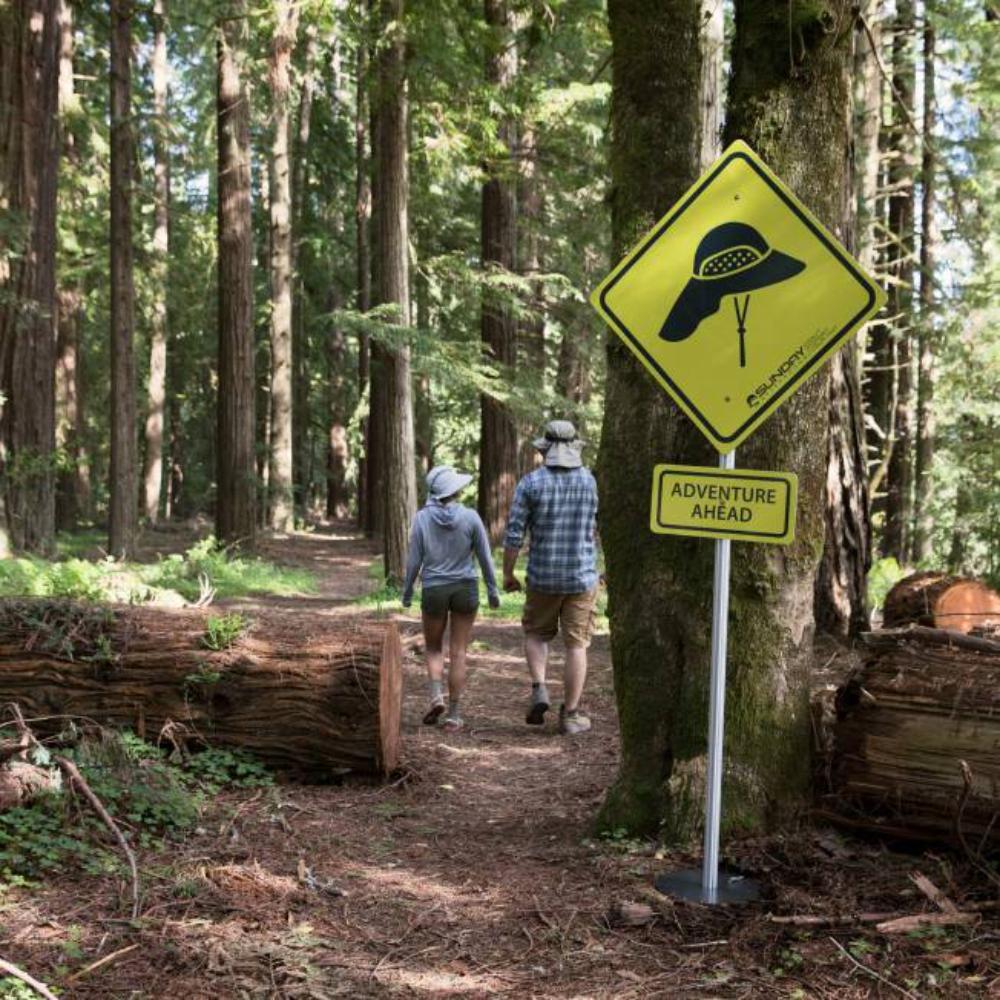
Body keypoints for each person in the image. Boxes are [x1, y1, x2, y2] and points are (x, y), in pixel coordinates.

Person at [502, 420, 599, 736]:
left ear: (545, 449)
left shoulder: (530, 483)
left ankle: (540, 687)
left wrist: (508, 573)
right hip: (581, 578)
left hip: (542, 577)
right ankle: (570, 715)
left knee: (536, 634)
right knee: (576, 646)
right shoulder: (589, 482)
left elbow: (514, 535)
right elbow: (600, 526)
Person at [402, 465, 500, 732]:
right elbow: (485, 558)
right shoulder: (471, 517)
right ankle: (454, 716)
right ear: (455, 490)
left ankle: (436, 697)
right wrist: (493, 591)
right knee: (458, 652)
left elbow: (414, 561)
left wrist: (407, 592)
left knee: (434, 647)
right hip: (465, 588)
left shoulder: (422, 519)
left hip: (434, 589)